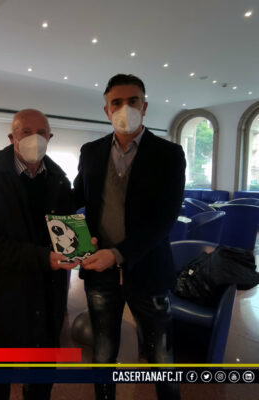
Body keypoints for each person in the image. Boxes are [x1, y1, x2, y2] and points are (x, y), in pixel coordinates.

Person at [74, 74, 185, 400]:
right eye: (117, 102)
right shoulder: (91, 151)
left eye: (132, 101)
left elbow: (164, 219)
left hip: (149, 270)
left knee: (161, 355)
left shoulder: (169, 154)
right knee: (103, 350)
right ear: (106, 110)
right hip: (100, 271)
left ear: (144, 106)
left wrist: (118, 253)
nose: (125, 108)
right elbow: (75, 197)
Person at [0, 109, 78, 400]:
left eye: (41, 133)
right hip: (1, 295)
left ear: (50, 137)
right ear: (12, 137)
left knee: (41, 379)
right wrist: (43, 257)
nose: (34, 138)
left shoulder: (60, 180)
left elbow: (65, 233)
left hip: (48, 294)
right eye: (26, 132)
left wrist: (80, 246)